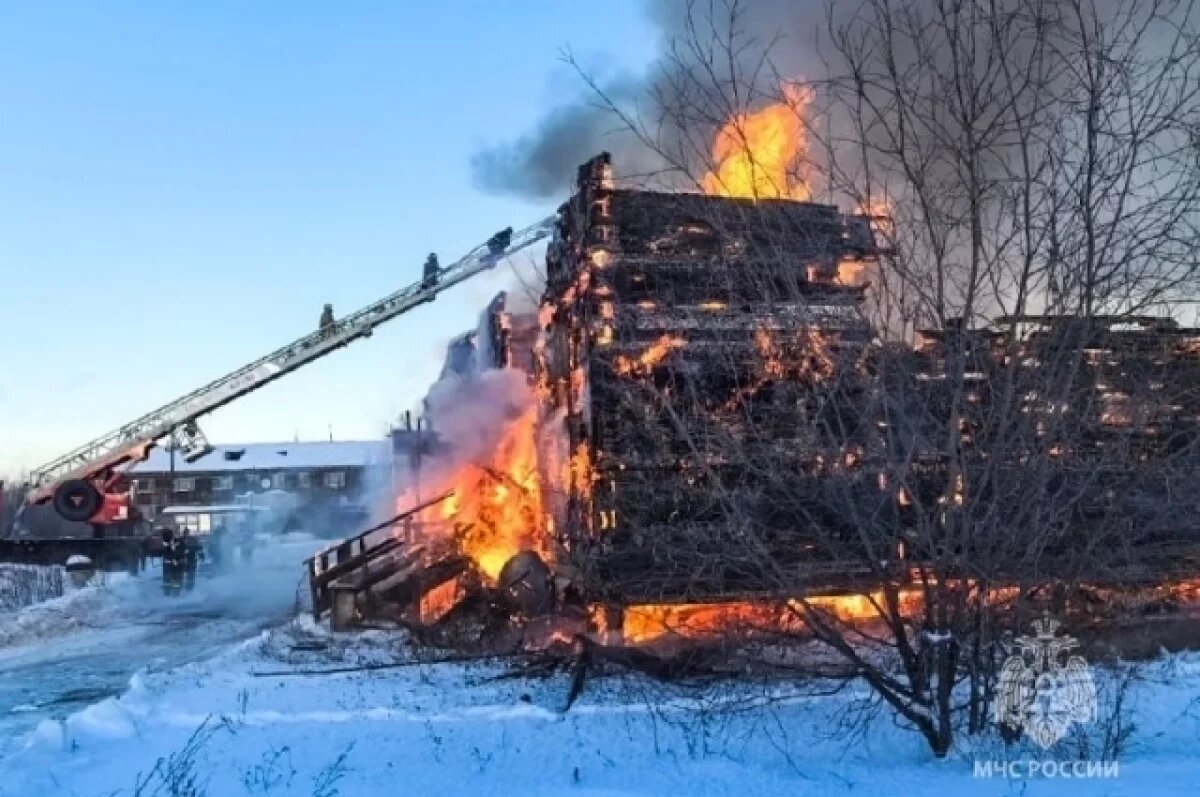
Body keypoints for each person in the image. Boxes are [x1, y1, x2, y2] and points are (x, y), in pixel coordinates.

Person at [160, 527, 184, 596]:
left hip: (175, 564)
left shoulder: (178, 542)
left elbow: (181, 551)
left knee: (174, 580)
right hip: (172, 564)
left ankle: (174, 594)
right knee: (172, 580)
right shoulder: (165, 544)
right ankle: (170, 593)